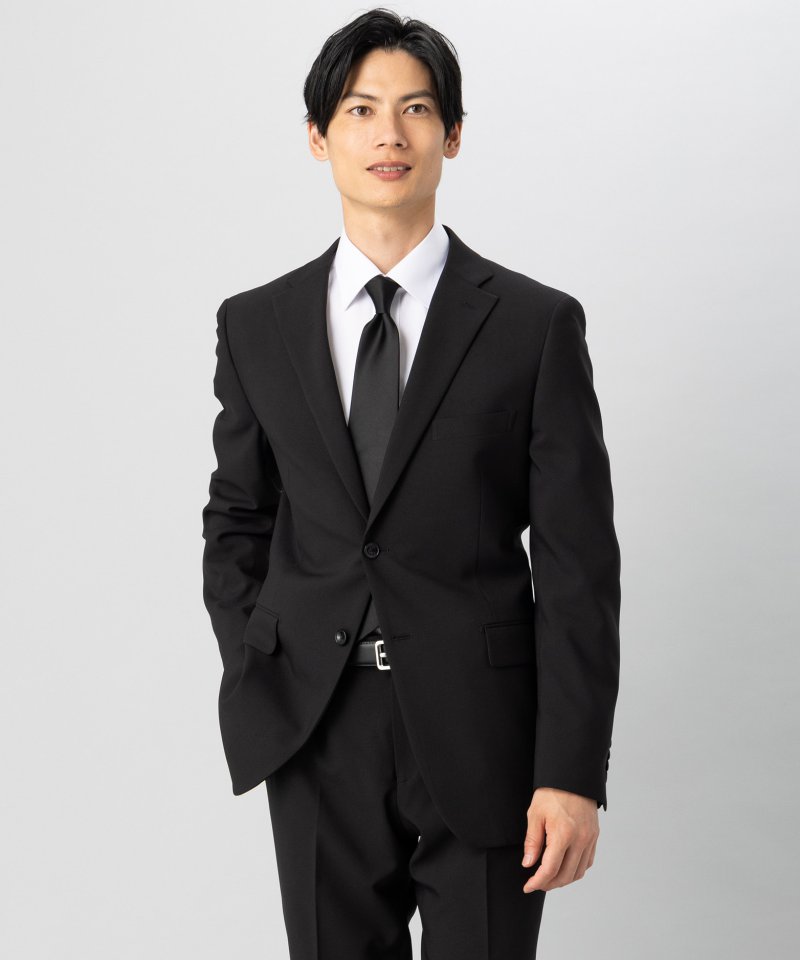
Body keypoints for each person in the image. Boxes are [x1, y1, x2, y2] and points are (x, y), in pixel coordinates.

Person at [201, 8, 621, 958]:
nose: (388, 134)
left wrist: (571, 771)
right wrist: (262, 667)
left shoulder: (533, 326)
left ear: (453, 134)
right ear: (320, 136)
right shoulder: (257, 325)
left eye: (416, 109)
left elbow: (578, 566)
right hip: (317, 726)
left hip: (485, 731)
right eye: (360, 110)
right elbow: (238, 521)